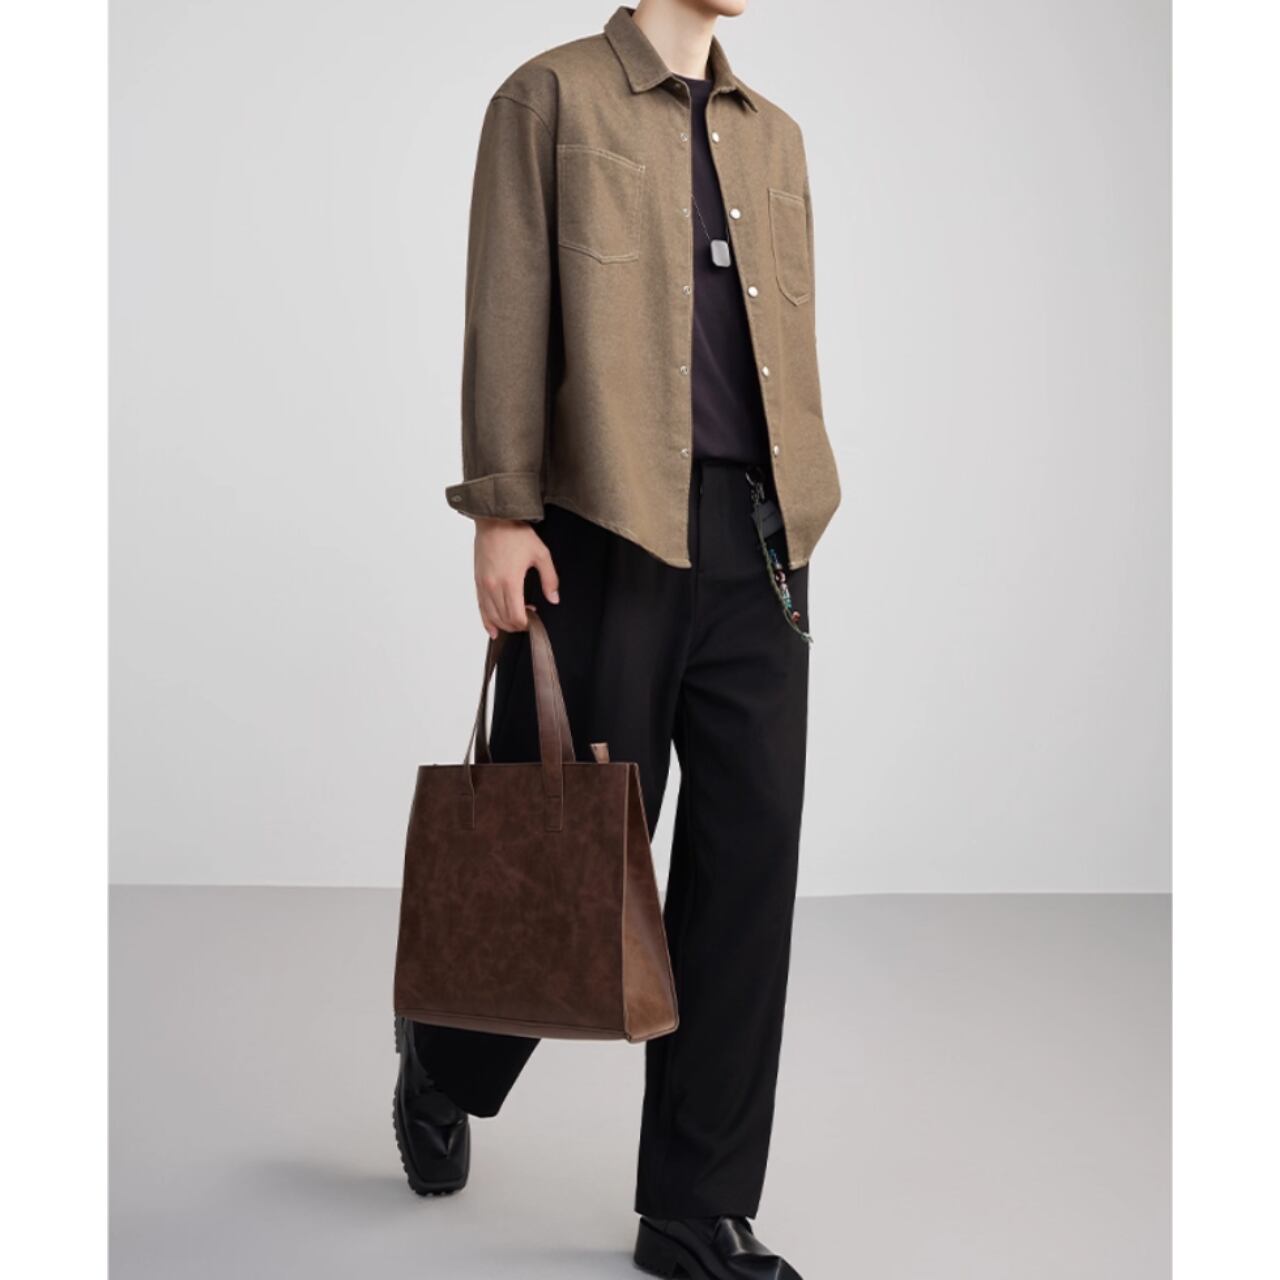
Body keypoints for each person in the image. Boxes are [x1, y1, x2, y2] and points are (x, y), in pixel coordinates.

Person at [393, 3, 840, 1276]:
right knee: (568, 860)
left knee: (744, 870)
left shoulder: (774, 136)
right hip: (603, 525)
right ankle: (445, 1057)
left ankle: (695, 1207)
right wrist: (501, 511)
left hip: (760, 543)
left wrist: (796, 512)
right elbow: (507, 304)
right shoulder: (548, 97)